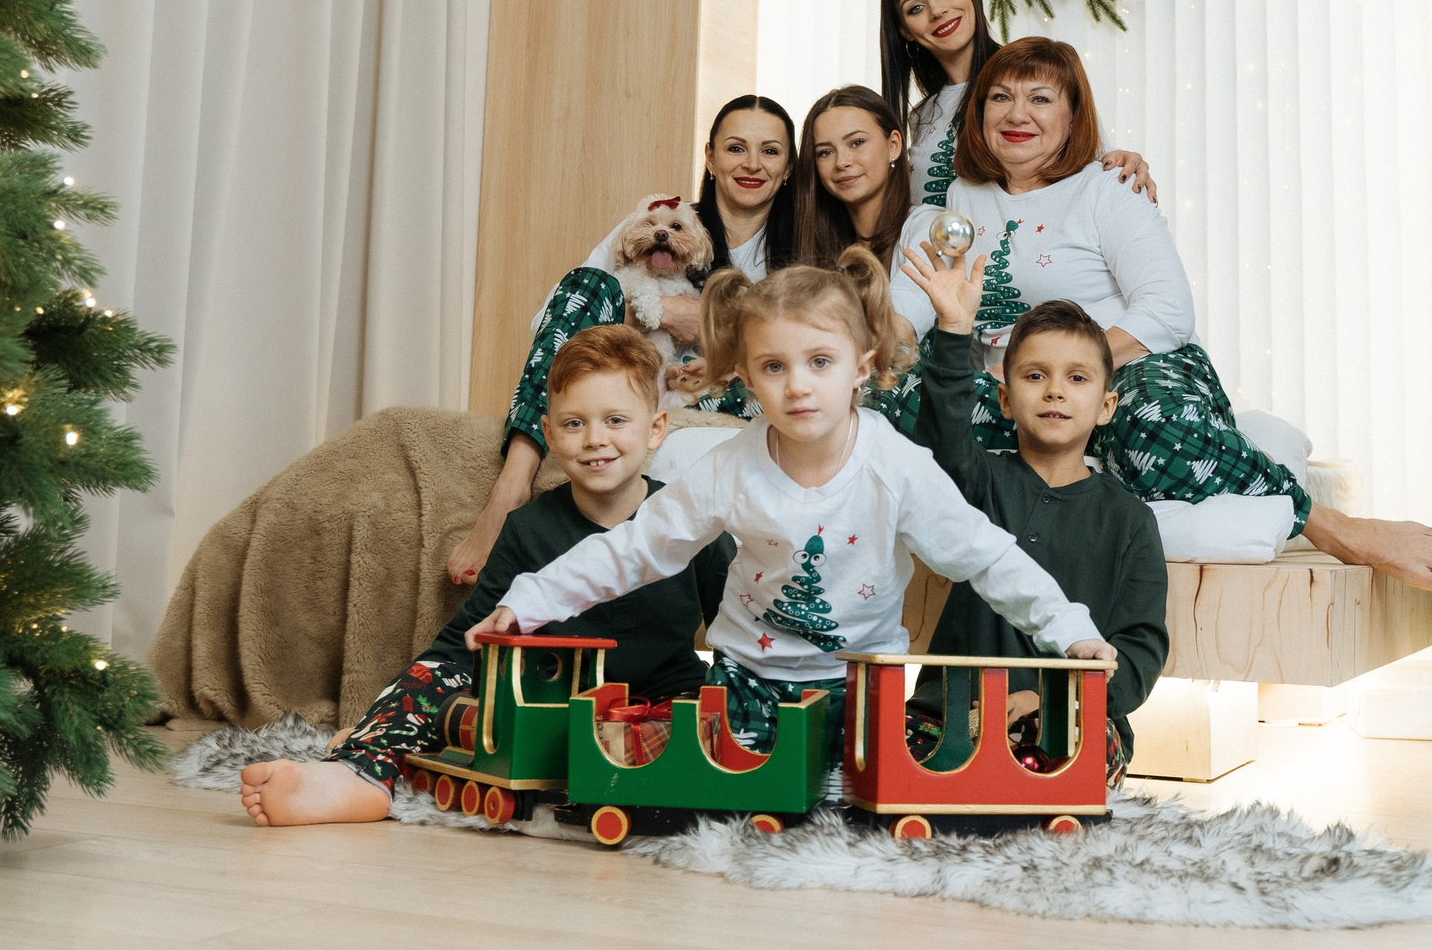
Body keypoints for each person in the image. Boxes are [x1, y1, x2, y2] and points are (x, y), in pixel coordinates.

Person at [463, 247, 1118, 757]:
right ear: (747, 378)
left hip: (861, 684)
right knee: (678, 774)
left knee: (902, 784)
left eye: (820, 362)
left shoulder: (896, 467)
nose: (798, 385)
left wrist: (1070, 630)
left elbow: (986, 556)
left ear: (862, 366)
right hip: (745, 680)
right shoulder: (729, 467)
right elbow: (635, 548)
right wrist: (531, 601)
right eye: (774, 367)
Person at [890, 36, 1432, 593]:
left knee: (1153, 424)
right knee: (898, 403)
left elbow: (1167, 310)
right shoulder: (962, 197)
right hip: (1019, 387)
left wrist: (1075, 371)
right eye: (1000, 98)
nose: (1018, 114)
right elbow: (923, 306)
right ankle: (1124, 456)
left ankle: (1330, 525)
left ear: (1073, 116)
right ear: (979, 114)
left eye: (1040, 98)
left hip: (1136, 363)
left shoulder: (1110, 186)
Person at [239, 326, 731, 825]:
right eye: (574, 423)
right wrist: (400, 706)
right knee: (434, 678)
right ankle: (361, 770)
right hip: (547, 711)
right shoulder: (528, 528)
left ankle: (603, 775)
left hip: (656, 704)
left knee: (721, 712)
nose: (595, 439)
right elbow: (466, 642)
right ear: (550, 434)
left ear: (656, 428)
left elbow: (738, 637)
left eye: (616, 420)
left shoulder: (695, 526)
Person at [445, 96, 797, 584]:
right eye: (736, 148)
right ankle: (512, 484)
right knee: (590, 283)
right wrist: (657, 312)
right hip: (623, 373)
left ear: (788, 168)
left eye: (770, 151)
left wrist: (713, 331)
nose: (752, 164)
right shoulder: (659, 216)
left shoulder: (799, 250)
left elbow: (795, 359)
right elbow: (559, 311)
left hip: (716, 388)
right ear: (710, 157)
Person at [897, 260, 1168, 787]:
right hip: (952, 715)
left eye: (1077, 378)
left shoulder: (1130, 520)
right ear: (1005, 398)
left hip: (1067, 722)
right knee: (892, 752)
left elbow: (1140, 650)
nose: (1055, 391)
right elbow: (943, 437)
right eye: (1035, 376)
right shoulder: (977, 482)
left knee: (1075, 753)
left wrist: (1046, 700)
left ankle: (1016, 787)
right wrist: (953, 328)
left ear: (1106, 406)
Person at [880, 0, 1154, 206]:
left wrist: (1124, 163)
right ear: (905, 30)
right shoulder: (921, 116)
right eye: (916, 8)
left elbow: (1096, 167)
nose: (937, 11)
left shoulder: (1035, 80)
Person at [793, 84, 912, 268]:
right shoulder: (820, 246)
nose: (841, 162)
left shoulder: (924, 229)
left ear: (893, 145)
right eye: (825, 152)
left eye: (857, 142)